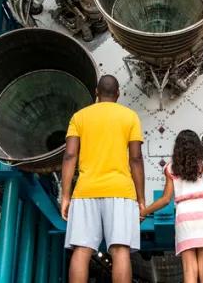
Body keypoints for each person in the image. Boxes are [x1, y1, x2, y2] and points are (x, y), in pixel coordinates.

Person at [61, 74, 145, 283]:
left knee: (81, 250)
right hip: (121, 192)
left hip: (85, 190)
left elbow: (70, 155)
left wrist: (65, 195)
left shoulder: (79, 117)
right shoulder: (130, 117)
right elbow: (135, 158)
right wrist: (141, 199)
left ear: (96, 92)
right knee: (120, 250)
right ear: (118, 94)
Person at [140, 130, 203, 283]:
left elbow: (166, 199)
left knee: (189, 268)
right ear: (198, 147)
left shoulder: (171, 169)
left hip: (184, 217)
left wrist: (145, 211)